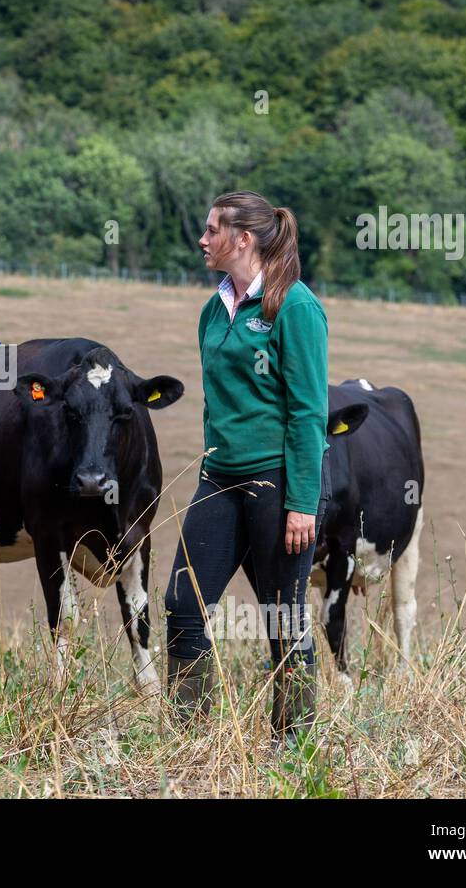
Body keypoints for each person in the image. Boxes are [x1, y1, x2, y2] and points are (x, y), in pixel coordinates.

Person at [164, 190, 330, 743]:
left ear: (243, 239)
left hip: (276, 484)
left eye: (213, 230)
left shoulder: (295, 307)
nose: (203, 239)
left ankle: (294, 742)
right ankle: (191, 738)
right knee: (183, 604)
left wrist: (303, 503)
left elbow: (309, 412)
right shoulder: (214, 309)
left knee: (283, 615)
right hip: (220, 478)